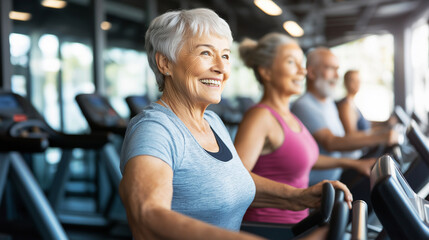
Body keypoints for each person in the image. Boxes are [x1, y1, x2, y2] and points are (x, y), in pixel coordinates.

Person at [119, 8, 352, 240]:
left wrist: (297, 197)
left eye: (226, 55)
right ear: (165, 63)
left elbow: (233, 180)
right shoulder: (155, 130)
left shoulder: (212, 122)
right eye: (206, 53)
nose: (221, 68)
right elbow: (146, 216)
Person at [234, 33, 374, 225]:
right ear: (266, 72)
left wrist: (353, 164)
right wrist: (298, 195)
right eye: (292, 62)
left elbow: (308, 157)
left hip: (299, 223)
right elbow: (234, 178)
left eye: (302, 63)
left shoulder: (289, 116)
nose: (303, 71)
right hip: (270, 228)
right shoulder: (260, 117)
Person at [291, 47, 398, 185]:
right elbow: (332, 142)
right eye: (331, 68)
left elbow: (346, 136)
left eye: (337, 69)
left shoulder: (328, 102)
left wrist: (381, 130)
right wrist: (380, 138)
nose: (337, 76)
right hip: (323, 185)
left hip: (339, 175)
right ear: (311, 72)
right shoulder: (304, 105)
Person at [337, 70, 393, 135]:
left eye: (358, 81)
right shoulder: (346, 106)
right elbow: (352, 136)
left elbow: (366, 124)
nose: (357, 84)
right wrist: (380, 133)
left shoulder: (352, 103)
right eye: (353, 81)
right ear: (345, 83)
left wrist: (384, 123)